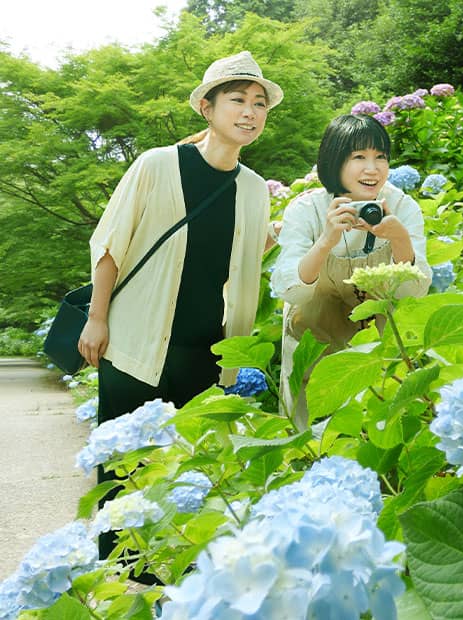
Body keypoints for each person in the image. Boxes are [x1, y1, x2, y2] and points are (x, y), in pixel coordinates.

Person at [77, 50, 282, 562]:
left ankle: (178, 578)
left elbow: (241, 255)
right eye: (237, 100)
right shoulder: (156, 165)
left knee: (189, 466)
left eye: (259, 103)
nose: (250, 112)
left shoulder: (255, 189)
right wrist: (97, 318)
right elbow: (110, 246)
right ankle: (121, 574)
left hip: (205, 350)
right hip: (134, 342)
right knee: (125, 464)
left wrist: (292, 231)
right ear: (207, 108)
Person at [271, 114, 431, 426]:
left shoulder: (402, 207)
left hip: (379, 334)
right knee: (312, 427)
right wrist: (325, 241)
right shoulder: (308, 210)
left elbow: (415, 291)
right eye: (359, 157)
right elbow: (288, 287)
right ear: (334, 161)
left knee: (387, 417)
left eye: (380, 157)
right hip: (314, 331)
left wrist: (399, 238)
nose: (372, 169)